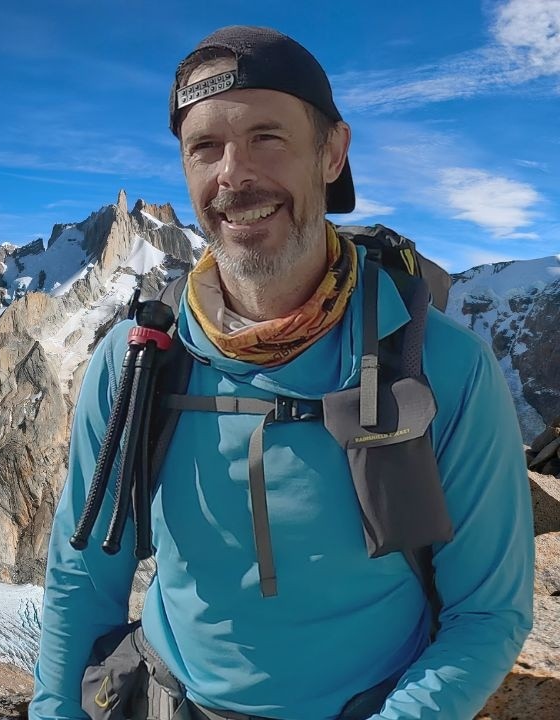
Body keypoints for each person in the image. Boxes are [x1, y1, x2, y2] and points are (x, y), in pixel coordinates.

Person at [31, 25, 534, 720]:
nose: (233, 176)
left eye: (266, 136)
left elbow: (487, 612)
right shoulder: (138, 361)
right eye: (204, 147)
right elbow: (83, 579)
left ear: (332, 153)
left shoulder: (439, 366)